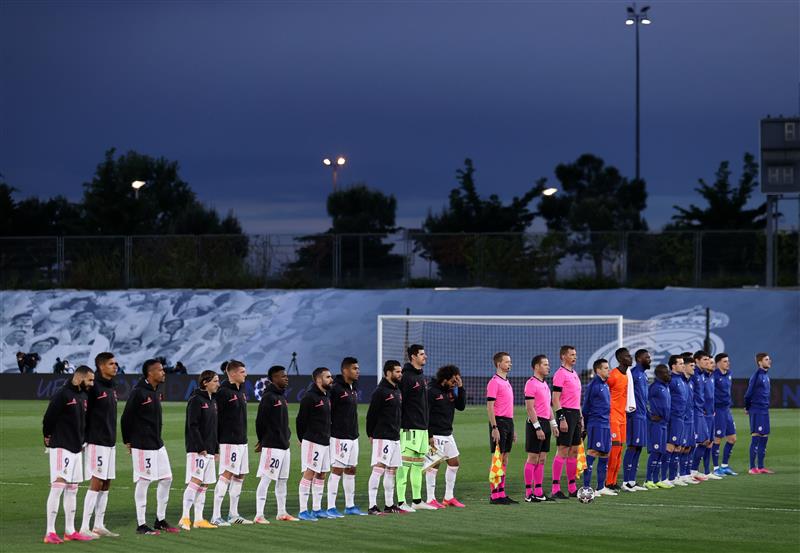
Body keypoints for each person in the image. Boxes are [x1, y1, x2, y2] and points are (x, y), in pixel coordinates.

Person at [120, 359, 178, 535]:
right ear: (150, 373)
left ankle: (160, 520)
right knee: (144, 481)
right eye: (160, 370)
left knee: (167, 478)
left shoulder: (154, 391)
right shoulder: (138, 392)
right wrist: (128, 441)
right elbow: (125, 418)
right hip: (142, 444)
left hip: (157, 443)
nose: (163, 373)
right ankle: (141, 524)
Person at [42, 365, 95, 544]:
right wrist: (47, 437)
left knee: (73, 489)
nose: (92, 383)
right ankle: (50, 532)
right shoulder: (62, 394)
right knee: (58, 486)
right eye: (90, 380)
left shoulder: (82, 396)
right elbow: (49, 418)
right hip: (61, 446)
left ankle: (70, 530)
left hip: (76, 447)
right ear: (79, 378)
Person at [79, 353, 120, 538]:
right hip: (96, 441)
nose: (115, 366)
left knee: (106, 482)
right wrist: (83, 437)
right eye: (111, 363)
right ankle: (84, 527)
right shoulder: (93, 387)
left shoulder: (112, 387)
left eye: (116, 363)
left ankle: (98, 524)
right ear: (101, 366)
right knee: (96, 481)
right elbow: (82, 412)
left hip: (110, 441)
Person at [254, 365, 298, 523]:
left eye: (286, 376)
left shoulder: (281, 396)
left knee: (282, 480)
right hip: (272, 445)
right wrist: (262, 440)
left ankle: (282, 512)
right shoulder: (269, 397)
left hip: (284, 445)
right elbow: (260, 421)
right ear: (274, 379)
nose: (286, 378)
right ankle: (259, 515)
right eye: (282, 376)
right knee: (266, 479)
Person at [211, 360, 252, 526]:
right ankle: (215, 516)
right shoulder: (222, 392)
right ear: (233, 373)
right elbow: (215, 419)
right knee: (226, 475)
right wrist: (216, 445)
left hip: (242, 441)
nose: (246, 374)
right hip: (228, 441)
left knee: (240, 475)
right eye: (242, 372)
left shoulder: (240, 390)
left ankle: (233, 514)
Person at [179, 370, 221, 530]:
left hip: (209, 449)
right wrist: (200, 446)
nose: (218, 384)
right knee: (195, 481)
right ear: (205, 382)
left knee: (204, 484)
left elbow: (214, 427)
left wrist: (215, 448)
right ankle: (185, 517)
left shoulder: (212, 401)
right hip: (198, 449)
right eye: (215, 381)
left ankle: (199, 518)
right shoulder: (196, 400)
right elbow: (193, 425)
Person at [395, 344, 434, 512]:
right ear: (413, 356)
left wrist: (428, 430)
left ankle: (417, 500)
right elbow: (399, 403)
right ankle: (401, 502)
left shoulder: (421, 376)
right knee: (404, 466)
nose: (425, 356)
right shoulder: (406, 377)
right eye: (421, 354)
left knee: (418, 465)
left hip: (422, 429)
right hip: (409, 428)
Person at [327, 357, 366, 517]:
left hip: (353, 436)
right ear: (345, 370)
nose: (358, 371)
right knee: (337, 470)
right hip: (338, 436)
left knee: (351, 469)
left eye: (358, 368)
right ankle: (330, 507)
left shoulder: (353, 386)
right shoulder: (335, 389)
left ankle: (350, 506)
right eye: (355, 368)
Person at [425, 364, 467, 508]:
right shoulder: (431, 391)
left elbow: (461, 406)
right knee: (433, 466)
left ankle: (448, 497)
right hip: (435, 435)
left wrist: (460, 388)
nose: (454, 384)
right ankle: (430, 498)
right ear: (444, 379)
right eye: (453, 381)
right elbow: (426, 414)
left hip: (448, 434)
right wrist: (429, 435)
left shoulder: (450, 391)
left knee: (454, 463)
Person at [366, 360, 404, 515]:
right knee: (379, 468)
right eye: (397, 372)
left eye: (400, 372)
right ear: (388, 373)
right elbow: (371, 415)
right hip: (382, 436)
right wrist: (371, 434)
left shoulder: (396, 390)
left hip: (395, 437)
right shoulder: (380, 391)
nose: (400, 374)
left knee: (392, 470)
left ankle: (389, 505)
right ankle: (372, 506)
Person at [296, 367, 333, 521]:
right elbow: (300, 420)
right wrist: (302, 439)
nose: (331, 379)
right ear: (319, 379)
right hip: (313, 441)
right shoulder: (309, 397)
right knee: (309, 473)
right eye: (328, 377)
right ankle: (303, 510)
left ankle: (317, 509)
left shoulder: (325, 396)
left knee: (322, 474)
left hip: (325, 441)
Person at [523, 355, 558, 502]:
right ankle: (528, 493)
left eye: (548, 364)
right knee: (533, 457)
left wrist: (553, 424)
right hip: (535, 424)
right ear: (536, 367)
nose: (548, 367)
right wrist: (537, 428)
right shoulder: (531, 384)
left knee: (542, 459)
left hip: (545, 423)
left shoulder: (544, 384)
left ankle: (538, 491)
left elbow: (548, 406)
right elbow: (530, 408)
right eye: (545, 364)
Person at [551, 345, 582, 499]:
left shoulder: (574, 373)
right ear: (563, 356)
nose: (574, 357)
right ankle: (555, 488)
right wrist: (561, 418)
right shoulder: (560, 374)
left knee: (574, 451)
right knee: (563, 450)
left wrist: (580, 417)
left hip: (575, 414)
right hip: (566, 414)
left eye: (575, 354)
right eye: (571, 354)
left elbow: (577, 399)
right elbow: (555, 399)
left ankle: (572, 487)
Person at [487, 351, 517, 504]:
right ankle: (494, 494)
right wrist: (494, 427)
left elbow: (508, 407)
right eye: (507, 362)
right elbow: (490, 407)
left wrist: (513, 429)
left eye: (510, 362)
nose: (509, 364)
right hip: (498, 422)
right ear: (499, 364)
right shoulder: (494, 382)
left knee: (504, 459)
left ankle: (501, 492)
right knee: (497, 458)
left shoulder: (506, 382)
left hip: (508, 423)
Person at [582, 359, 615, 496]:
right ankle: (586, 488)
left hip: (606, 424)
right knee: (593, 452)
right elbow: (586, 407)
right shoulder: (594, 385)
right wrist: (587, 426)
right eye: (606, 368)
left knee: (605, 453)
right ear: (598, 370)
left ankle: (601, 487)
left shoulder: (605, 385)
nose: (609, 370)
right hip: (596, 424)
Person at [622, 349, 650, 491]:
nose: (649, 359)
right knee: (632, 446)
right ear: (639, 358)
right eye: (647, 357)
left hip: (643, 416)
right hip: (634, 416)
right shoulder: (633, 374)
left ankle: (632, 481)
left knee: (638, 448)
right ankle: (625, 481)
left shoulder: (643, 375)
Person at [605, 348, 633, 491]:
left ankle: (613, 481)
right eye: (627, 356)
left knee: (620, 449)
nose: (630, 357)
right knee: (615, 449)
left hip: (622, 417)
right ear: (620, 359)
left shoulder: (626, 375)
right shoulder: (613, 375)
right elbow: (603, 391)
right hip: (613, 417)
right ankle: (608, 482)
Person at [691, 351, 720, 480]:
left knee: (707, 441)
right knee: (700, 441)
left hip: (708, 412)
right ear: (696, 360)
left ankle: (700, 471)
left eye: (708, 360)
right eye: (705, 360)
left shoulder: (705, 375)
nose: (708, 362)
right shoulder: (695, 374)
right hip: (698, 412)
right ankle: (691, 470)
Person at [643, 364, 671, 489]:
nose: (668, 374)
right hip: (655, 424)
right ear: (659, 374)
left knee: (661, 452)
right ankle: (648, 480)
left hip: (664, 423)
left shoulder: (666, 387)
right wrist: (650, 415)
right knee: (655, 452)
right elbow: (644, 401)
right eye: (666, 372)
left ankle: (655, 479)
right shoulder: (654, 387)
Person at [745, 353, 773, 474]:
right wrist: (747, 407)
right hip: (756, 410)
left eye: (769, 359)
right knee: (756, 438)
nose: (769, 361)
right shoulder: (756, 376)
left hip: (764, 410)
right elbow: (748, 394)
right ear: (760, 362)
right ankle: (752, 467)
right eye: (766, 359)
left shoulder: (766, 376)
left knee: (764, 438)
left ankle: (761, 467)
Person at [712, 353, 737, 476]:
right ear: (718, 363)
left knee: (732, 439)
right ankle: (716, 468)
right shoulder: (714, 376)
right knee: (717, 439)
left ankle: (725, 466)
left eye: (728, 361)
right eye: (725, 361)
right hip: (718, 410)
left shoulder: (729, 374)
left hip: (727, 410)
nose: (728, 363)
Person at [664, 355, 688, 487]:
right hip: (674, 417)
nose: (683, 365)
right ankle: (664, 477)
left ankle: (674, 476)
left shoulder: (681, 380)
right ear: (673, 366)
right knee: (671, 447)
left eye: (683, 363)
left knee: (678, 447)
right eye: (680, 363)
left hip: (681, 417)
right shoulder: (672, 380)